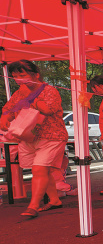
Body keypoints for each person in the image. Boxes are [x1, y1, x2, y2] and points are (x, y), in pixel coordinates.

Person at [0, 60, 67, 218]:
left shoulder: (50, 90)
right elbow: (8, 109)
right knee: (43, 170)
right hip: (28, 137)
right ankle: (55, 200)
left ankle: (33, 206)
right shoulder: (19, 93)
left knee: (39, 169)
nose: (18, 79)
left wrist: (29, 96)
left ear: (35, 75)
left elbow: (47, 109)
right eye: (15, 76)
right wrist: (5, 117)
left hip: (51, 137)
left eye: (22, 75)